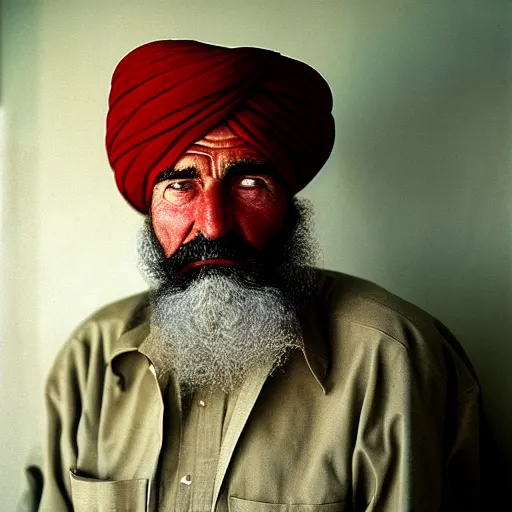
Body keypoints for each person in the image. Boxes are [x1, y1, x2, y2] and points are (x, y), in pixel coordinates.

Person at [28, 40, 482, 511]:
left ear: (288, 206)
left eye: (249, 184)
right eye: (181, 186)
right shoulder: (90, 359)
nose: (214, 223)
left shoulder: (390, 357)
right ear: (150, 206)